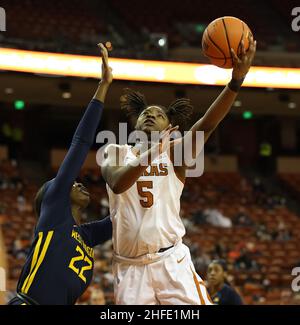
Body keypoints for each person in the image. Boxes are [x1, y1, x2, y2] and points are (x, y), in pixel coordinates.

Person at [101, 36, 256, 305]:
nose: (150, 114)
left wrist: (235, 82)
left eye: (159, 114)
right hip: (130, 267)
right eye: (145, 113)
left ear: (168, 127)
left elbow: (206, 125)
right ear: (135, 123)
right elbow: (117, 183)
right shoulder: (114, 151)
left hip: (171, 261)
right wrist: (153, 151)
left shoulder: (175, 154)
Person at [8, 43, 113, 305]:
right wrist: (103, 86)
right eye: (70, 183)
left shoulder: (87, 235)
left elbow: (125, 217)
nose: (77, 183)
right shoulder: (55, 211)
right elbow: (80, 143)